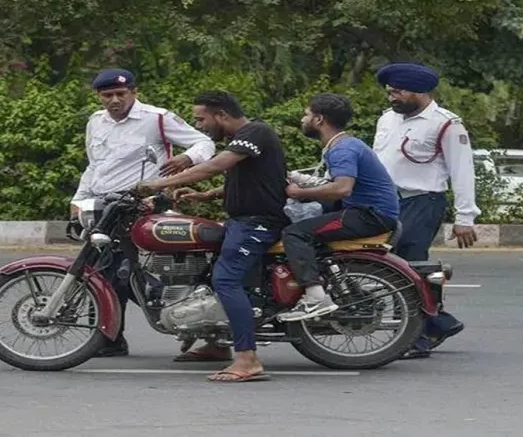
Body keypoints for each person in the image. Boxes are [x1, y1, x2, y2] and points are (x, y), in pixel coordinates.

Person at [138, 90, 289, 383]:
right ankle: (217, 344)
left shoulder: (255, 132)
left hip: (258, 223)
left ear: (221, 115)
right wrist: (206, 195)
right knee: (207, 274)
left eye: (201, 119)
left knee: (226, 280)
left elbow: (215, 165)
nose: (200, 126)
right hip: (242, 221)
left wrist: (156, 184)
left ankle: (247, 360)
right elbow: (255, 180)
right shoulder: (244, 138)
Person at [71, 68, 216, 357]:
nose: (114, 100)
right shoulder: (96, 122)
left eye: (120, 94)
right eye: (107, 95)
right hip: (104, 207)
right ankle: (116, 335)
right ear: (98, 96)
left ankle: (114, 336)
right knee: (103, 271)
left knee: (121, 271)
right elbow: (94, 165)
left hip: (141, 206)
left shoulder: (157, 118)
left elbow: (205, 143)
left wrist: (187, 158)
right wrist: (79, 199)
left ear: (134, 92)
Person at [372, 62, 478, 358]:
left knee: (411, 265)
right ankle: (437, 322)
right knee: (389, 264)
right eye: (390, 92)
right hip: (387, 201)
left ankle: (417, 336)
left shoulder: (446, 123)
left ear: (419, 92)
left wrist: (465, 217)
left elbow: (462, 171)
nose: (392, 97)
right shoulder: (387, 119)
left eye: (398, 92)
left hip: (423, 201)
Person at [275, 94, 400, 321]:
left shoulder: (342, 149)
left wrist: (298, 193)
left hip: (369, 215)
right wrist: (297, 179)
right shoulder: (345, 144)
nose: (303, 119)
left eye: (306, 114)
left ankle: (315, 296)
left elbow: (342, 188)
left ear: (319, 119)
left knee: (295, 233)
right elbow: (329, 184)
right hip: (369, 210)